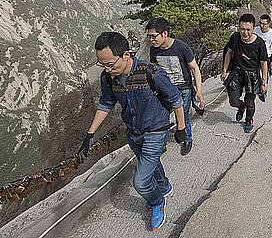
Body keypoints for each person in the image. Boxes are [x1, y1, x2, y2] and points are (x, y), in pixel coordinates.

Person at [78, 32, 186, 231]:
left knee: (141, 182)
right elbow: (106, 103)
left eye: (111, 64)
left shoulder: (151, 72)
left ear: (126, 55)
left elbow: (176, 99)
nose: (108, 69)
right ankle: (164, 186)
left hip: (156, 130)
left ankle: (156, 202)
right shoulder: (109, 78)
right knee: (151, 165)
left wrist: (182, 129)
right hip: (134, 132)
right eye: (103, 65)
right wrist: (90, 134)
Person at [146, 17, 205, 156]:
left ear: (164, 34)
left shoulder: (181, 47)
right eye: (149, 37)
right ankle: (162, 143)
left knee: (182, 116)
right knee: (162, 116)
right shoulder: (154, 50)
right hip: (164, 88)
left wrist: (199, 92)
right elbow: (153, 70)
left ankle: (187, 139)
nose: (151, 40)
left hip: (183, 88)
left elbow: (195, 69)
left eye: (154, 36)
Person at [221, 13, 268, 133]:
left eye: (248, 29)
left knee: (250, 102)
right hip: (237, 72)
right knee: (233, 100)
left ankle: (249, 119)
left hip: (252, 75)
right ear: (238, 27)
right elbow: (229, 53)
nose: (245, 32)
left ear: (253, 28)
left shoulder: (259, 43)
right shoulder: (235, 37)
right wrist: (225, 70)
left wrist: (264, 82)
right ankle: (241, 108)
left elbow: (263, 63)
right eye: (242, 29)